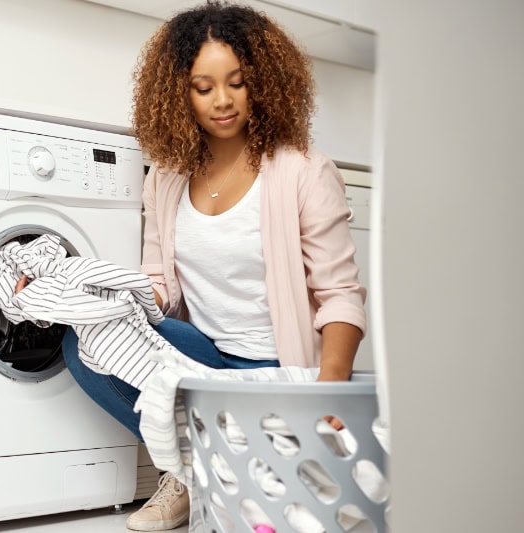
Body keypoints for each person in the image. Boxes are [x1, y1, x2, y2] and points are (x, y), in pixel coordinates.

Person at [60, 1, 367, 530]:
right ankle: (190, 469)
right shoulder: (167, 179)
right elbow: (158, 286)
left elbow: (339, 294)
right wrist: (91, 298)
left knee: (298, 505)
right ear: (180, 92)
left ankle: (213, 464)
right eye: (204, 88)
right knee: (81, 341)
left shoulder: (303, 172)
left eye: (238, 82)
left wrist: (329, 395)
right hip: (203, 365)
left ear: (263, 83)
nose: (223, 101)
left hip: (279, 374)